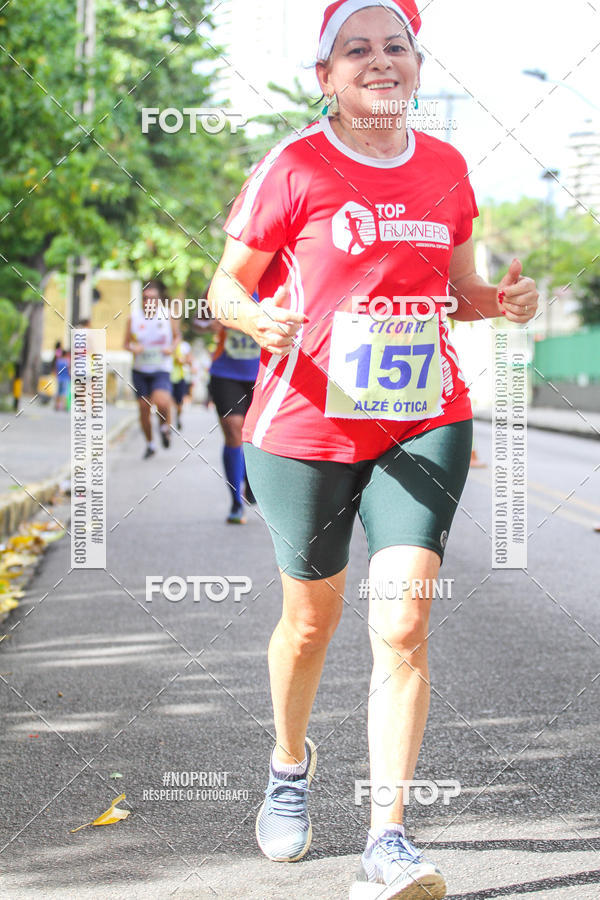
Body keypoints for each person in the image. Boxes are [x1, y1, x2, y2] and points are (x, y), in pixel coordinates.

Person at [207, 2, 539, 897]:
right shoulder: (295, 166)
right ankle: (288, 763)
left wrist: (497, 303)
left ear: (419, 67)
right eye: (357, 50)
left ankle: (387, 837)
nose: (379, 62)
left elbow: (460, 286)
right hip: (308, 423)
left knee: (401, 619)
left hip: (423, 416)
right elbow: (224, 287)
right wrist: (256, 315)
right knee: (311, 621)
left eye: (396, 47)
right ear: (326, 76)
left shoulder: (446, 168)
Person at [207, 321, 260, 523]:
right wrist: (208, 325)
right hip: (225, 372)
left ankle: (250, 479)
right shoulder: (219, 288)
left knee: (253, 434)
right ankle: (236, 502)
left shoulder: (277, 289)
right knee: (233, 431)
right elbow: (198, 322)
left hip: (262, 373)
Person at [124, 280, 179, 459]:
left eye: (153, 298)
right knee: (143, 408)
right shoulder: (133, 318)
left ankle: (164, 427)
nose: (149, 302)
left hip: (161, 368)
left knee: (161, 401)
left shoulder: (168, 315)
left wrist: (171, 348)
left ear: (159, 299)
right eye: (146, 299)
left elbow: (177, 337)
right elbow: (126, 344)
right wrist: (134, 348)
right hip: (140, 369)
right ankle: (150, 444)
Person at [171, 338, 195, 430]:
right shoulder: (164, 342)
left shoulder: (184, 346)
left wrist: (182, 360)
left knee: (179, 402)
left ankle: (178, 417)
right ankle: (166, 425)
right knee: (167, 401)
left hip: (179, 377)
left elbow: (189, 360)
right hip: (165, 377)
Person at [54, 342, 71, 411]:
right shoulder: (67, 361)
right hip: (66, 378)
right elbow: (69, 370)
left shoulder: (58, 361)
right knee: (65, 393)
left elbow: (56, 370)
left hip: (59, 378)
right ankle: (64, 406)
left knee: (58, 392)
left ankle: (57, 406)